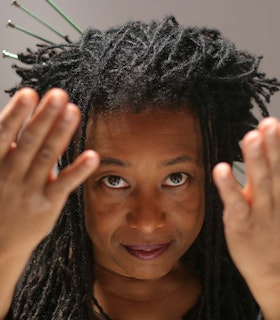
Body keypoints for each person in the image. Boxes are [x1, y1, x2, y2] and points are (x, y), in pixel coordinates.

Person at [0, 16, 280, 320]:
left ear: (210, 171)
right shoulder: (17, 283)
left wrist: (272, 283)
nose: (147, 222)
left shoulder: (258, 289)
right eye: (114, 181)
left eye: (176, 178)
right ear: (74, 181)